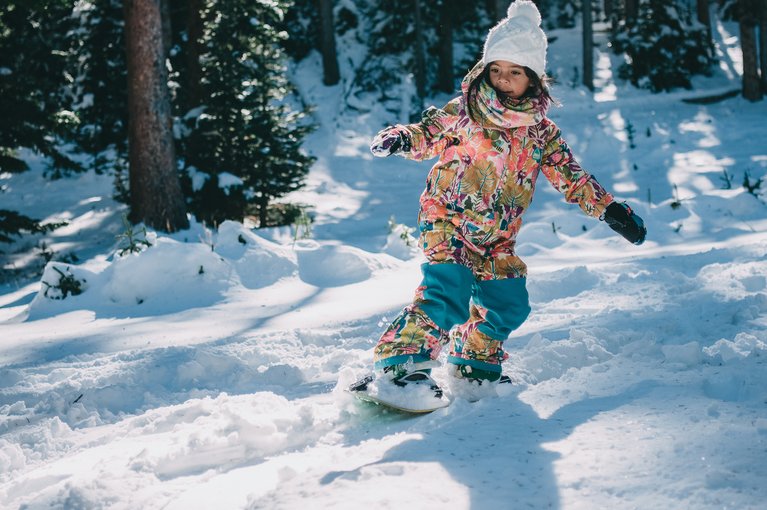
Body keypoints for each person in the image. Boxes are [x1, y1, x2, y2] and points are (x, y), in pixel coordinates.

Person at [368, 1, 646, 393]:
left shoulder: (541, 133)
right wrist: (400, 137)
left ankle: (473, 361)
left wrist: (611, 209)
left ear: (533, 78)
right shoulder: (466, 111)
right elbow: (429, 132)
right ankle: (400, 363)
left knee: (509, 303)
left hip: (498, 236)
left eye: (514, 72)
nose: (502, 79)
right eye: (495, 69)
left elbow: (572, 177)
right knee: (448, 293)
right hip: (449, 220)